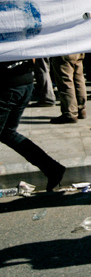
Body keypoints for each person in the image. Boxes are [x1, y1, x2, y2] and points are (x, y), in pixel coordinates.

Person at [1, 60, 66, 191]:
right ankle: (52, 168)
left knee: (8, 132)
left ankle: (52, 168)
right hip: (24, 82)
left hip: (9, 84)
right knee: (7, 133)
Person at [50, 54, 87, 124]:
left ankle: (70, 113)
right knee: (79, 78)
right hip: (78, 49)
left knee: (65, 81)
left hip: (63, 50)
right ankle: (81, 109)